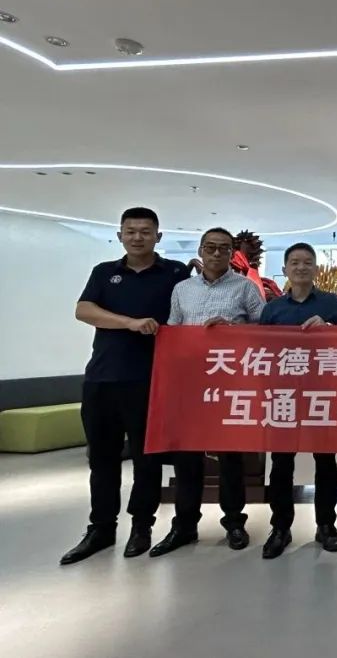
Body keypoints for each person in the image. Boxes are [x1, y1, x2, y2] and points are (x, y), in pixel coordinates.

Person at [60, 208, 192, 565]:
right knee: (102, 459)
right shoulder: (104, 272)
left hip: (152, 381)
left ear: (158, 237)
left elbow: (190, 313)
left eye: (145, 231)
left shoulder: (176, 274)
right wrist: (130, 323)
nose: (137, 237)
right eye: (130, 231)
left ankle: (141, 526)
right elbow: (83, 310)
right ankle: (101, 528)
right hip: (102, 379)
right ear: (120, 236)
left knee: (147, 460)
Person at [148, 228, 265, 558]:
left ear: (232, 254)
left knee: (230, 456)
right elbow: (172, 331)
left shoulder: (245, 287)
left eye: (223, 248)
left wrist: (235, 329)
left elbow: (266, 329)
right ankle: (185, 524)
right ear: (200, 250)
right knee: (187, 457)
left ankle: (234, 522)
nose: (216, 253)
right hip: (189, 383)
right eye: (210, 247)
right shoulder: (182, 289)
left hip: (230, 382)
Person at [259, 243, 337, 559]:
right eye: (295, 262)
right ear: (285, 269)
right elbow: (259, 350)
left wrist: (329, 329)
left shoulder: (331, 303)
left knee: (325, 461)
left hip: (321, 393)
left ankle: (326, 525)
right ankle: (280, 527)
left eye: (307, 262)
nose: (301, 267)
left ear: (315, 268)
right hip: (283, 395)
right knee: (281, 464)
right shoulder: (272, 309)